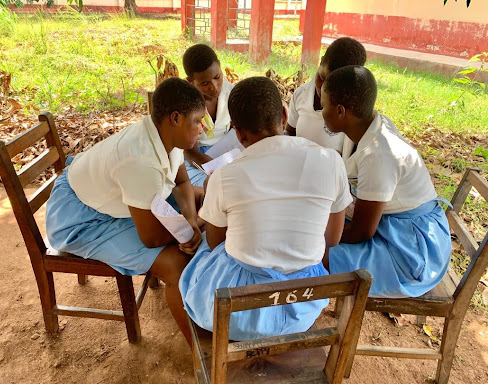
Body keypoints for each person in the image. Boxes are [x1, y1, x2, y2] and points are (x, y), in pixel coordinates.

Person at [179, 77, 352, 341]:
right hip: (303, 303)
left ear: (238, 133)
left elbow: (216, 243)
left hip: (240, 312)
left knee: (202, 247)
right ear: (284, 115)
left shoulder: (224, 177)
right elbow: (332, 239)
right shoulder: (332, 162)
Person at [45, 78, 206, 344]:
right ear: (175, 118)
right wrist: (193, 229)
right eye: (197, 121)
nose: (202, 128)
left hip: (102, 196)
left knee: (202, 200)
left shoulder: (166, 136)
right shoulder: (140, 160)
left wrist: (190, 220)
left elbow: (181, 181)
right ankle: (202, 353)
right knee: (176, 264)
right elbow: (151, 239)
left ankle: (197, 302)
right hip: (82, 219)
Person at [321, 65, 451, 298]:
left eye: (323, 106)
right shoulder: (368, 126)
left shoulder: (378, 154)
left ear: (340, 111)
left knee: (315, 254)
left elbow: (362, 232)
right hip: (391, 225)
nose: (321, 113)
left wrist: (319, 235)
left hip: (410, 250)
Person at [286, 37, 366, 156]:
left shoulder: (353, 113)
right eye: (322, 78)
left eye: (333, 87)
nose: (323, 90)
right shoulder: (301, 94)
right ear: (321, 61)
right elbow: (290, 132)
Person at [182, 43, 235, 187]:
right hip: (194, 160)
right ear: (191, 82)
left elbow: (236, 129)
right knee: (210, 186)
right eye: (205, 83)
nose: (214, 86)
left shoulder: (231, 93)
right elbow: (190, 153)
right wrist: (217, 169)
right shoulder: (186, 105)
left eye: (217, 77)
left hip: (226, 153)